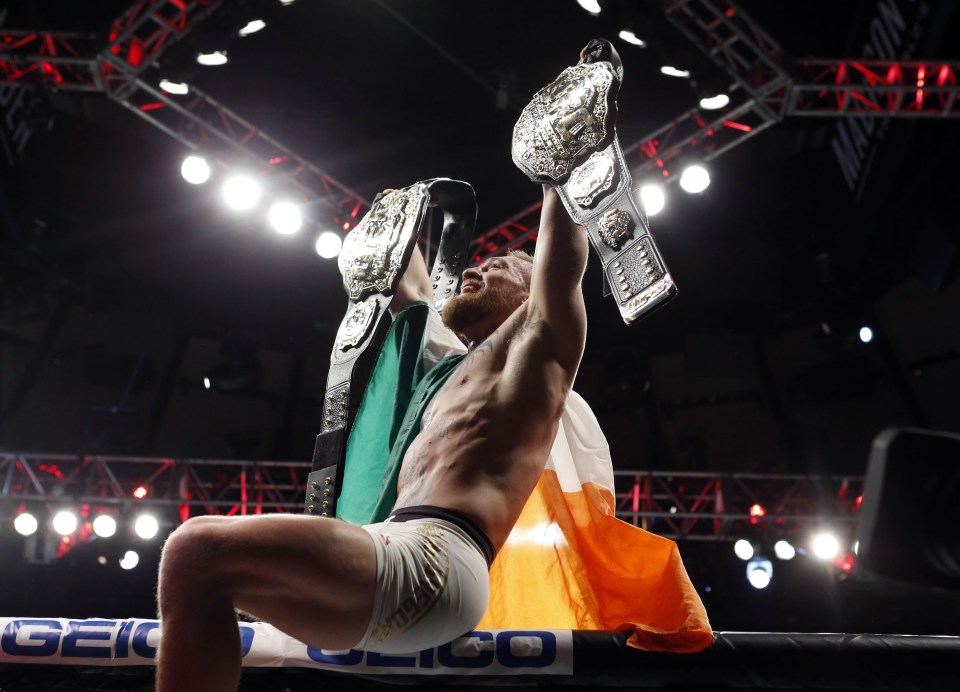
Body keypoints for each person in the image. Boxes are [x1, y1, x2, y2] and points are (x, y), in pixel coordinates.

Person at [154, 184, 588, 691]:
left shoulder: (537, 348)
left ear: (528, 289)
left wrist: (559, 168)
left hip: (437, 559)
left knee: (196, 549)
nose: (474, 268)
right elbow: (405, 284)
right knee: (204, 582)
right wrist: (405, 201)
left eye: (496, 267)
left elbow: (561, 264)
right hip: (397, 546)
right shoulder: (443, 372)